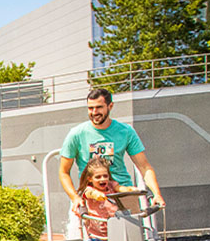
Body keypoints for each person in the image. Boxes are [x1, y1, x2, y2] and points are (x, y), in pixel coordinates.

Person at [59, 88, 164, 228]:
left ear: (110, 106)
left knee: (132, 239)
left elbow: (144, 167)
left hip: (123, 193)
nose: (94, 112)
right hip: (93, 195)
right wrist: (75, 197)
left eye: (99, 107)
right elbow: (63, 172)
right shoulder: (77, 134)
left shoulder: (125, 131)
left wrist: (156, 193)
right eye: (90, 108)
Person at [75, 156, 128, 241]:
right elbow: (90, 194)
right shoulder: (89, 190)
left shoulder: (111, 185)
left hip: (114, 233)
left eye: (105, 176)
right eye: (98, 177)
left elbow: (120, 188)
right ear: (90, 179)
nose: (102, 179)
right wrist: (97, 195)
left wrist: (131, 190)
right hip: (96, 236)